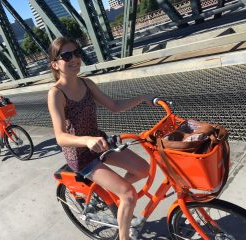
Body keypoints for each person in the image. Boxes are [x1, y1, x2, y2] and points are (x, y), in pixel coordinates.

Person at [47, 37, 154, 240]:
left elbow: (114, 106)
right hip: (80, 154)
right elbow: (60, 137)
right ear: (55, 64)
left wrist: (141, 98)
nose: (75, 59)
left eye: (77, 53)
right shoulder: (56, 93)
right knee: (130, 194)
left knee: (143, 169)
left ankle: (117, 196)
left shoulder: (86, 83)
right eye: (67, 55)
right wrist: (86, 140)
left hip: (100, 142)